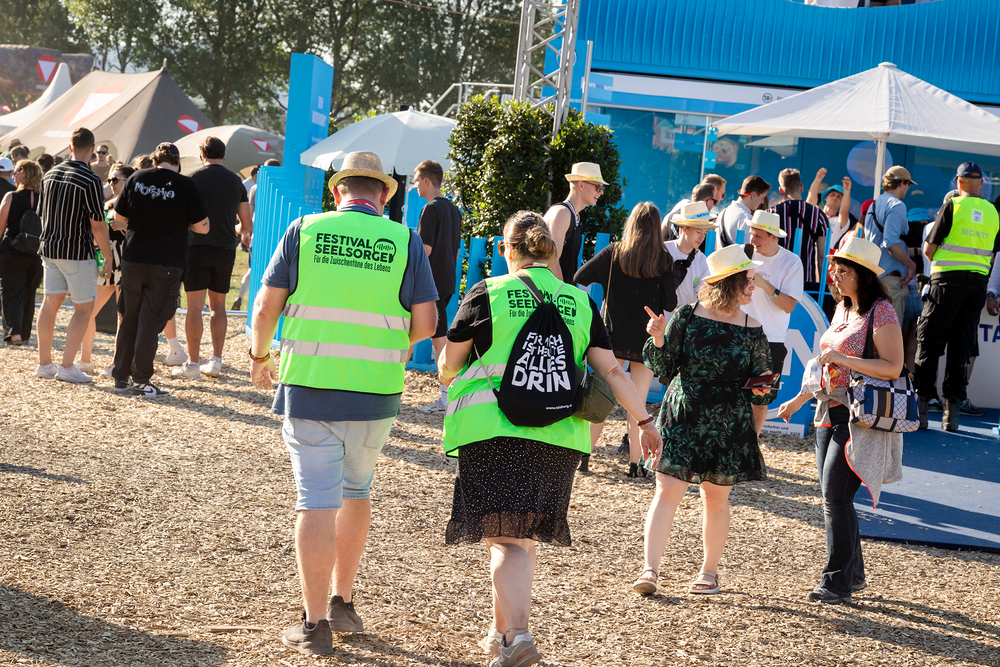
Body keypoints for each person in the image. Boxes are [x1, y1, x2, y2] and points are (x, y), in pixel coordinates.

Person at [439, 211, 662, 666]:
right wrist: (644, 423)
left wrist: (450, 365)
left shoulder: (488, 293)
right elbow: (612, 371)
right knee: (521, 538)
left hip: (494, 432)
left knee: (504, 540)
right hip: (559, 437)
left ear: (507, 249)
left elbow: (449, 366)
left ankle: (519, 638)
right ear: (553, 252)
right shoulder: (579, 302)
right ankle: (500, 636)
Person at [249, 151, 438, 656]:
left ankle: (314, 627)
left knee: (316, 499)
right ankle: (342, 602)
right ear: (383, 197)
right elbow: (426, 324)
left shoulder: (304, 230)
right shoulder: (405, 240)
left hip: (311, 384)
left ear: (337, 192)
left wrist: (260, 357)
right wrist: (390, 345)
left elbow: (266, 306)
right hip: (376, 391)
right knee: (356, 490)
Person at [632, 243, 773, 598]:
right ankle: (649, 569)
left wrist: (755, 422)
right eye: (748, 280)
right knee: (667, 490)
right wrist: (659, 338)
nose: (753, 286)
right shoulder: (687, 315)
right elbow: (664, 367)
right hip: (683, 414)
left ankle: (709, 573)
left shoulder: (753, 327)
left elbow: (762, 388)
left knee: (715, 498)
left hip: (727, 423)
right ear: (729, 282)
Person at [777, 235, 904, 605]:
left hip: (858, 418)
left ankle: (836, 583)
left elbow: (893, 366)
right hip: (828, 412)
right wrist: (799, 399)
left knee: (835, 497)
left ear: (862, 275)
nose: (833, 275)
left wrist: (844, 359)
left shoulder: (881, 311)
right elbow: (825, 365)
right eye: (834, 268)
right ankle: (854, 573)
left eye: (842, 270)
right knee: (834, 498)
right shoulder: (843, 308)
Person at [575, 201, 676, 476]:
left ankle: (584, 457)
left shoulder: (614, 252)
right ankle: (635, 465)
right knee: (638, 404)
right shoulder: (664, 260)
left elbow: (580, 276)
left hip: (612, 335)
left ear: (631, 224)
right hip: (645, 337)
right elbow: (670, 301)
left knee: (601, 396)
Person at [112, 143, 210, 397]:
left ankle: (121, 376)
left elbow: (118, 217)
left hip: (134, 258)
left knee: (129, 317)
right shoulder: (186, 185)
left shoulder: (136, 178)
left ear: (154, 161)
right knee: (150, 321)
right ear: (178, 163)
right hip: (167, 262)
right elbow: (203, 227)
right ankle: (142, 381)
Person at [915, 162, 1000, 431]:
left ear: (958, 182)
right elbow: (993, 252)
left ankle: (921, 409)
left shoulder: (952, 205)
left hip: (945, 282)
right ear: (981, 184)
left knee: (929, 343)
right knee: (961, 348)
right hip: (976, 285)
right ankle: (951, 414)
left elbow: (929, 249)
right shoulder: (993, 212)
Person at [35, 127, 111, 383]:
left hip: (50, 248)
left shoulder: (49, 174)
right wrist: (108, 257)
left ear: (70, 147)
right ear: (92, 149)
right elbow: (98, 225)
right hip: (76, 251)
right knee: (83, 308)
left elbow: (42, 215)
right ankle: (67, 366)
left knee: (49, 303)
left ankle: (45, 363)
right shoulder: (90, 180)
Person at [172, 136, 251, 379]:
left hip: (195, 246)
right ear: (224, 155)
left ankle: (193, 364)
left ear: (202, 154)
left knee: (195, 308)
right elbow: (246, 225)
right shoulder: (235, 181)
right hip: (225, 249)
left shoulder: (191, 179)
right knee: (218, 307)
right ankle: (216, 361)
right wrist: (232, 229)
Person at [741, 210, 804, 434]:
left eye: (758, 236)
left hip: (771, 339)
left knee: (761, 400)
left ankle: (752, 445)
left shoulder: (791, 261)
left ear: (773, 237)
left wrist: (765, 285)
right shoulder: (742, 253)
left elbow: (789, 306)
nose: (753, 240)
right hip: (737, 334)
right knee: (730, 395)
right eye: (751, 234)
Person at [413, 159, 463, 415]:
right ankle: (446, 396)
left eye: (416, 180)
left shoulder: (430, 209)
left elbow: (425, 250)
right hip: (446, 281)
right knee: (432, 335)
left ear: (426, 180)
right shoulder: (454, 211)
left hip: (429, 282)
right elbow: (455, 253)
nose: (414, 186)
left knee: (437, 339)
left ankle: (446, 397)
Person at [78, 163, 135, 376]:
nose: (110, 183)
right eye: (109, 179)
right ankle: (85, 360)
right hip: (105, 260)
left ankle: (117, 364)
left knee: (123, 316)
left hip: (126, 260)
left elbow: (145, 233)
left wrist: (125, 227)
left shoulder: (135, 204)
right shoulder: (108, 203)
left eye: (115, 179)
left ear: (128, 181)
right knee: (87, 311)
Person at [863, 165, 916, 321]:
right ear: (902, 183)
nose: (907, 189)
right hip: (890, 280)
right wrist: (911, 265)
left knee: (872, 329)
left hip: (873, 277)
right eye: (908, 184)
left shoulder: (873, 205)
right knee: (890, 331)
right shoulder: (897, 205)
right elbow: (891, 243)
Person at [0, 159, 44, 345]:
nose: (14, 174)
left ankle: (14, 333)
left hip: (12, 250)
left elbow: (1, 226)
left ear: (24, 174)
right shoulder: (45, 199)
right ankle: (25, 334)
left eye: (17, 170)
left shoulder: (11, 197)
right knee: (29, 294)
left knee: (10, 293)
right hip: (36, 252)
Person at [543, 162, 606, 282]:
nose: (601, 192)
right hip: (552, 290)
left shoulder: (574, 215)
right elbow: (551, 261)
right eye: (598, 187)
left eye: (602, 188)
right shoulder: (562, 213)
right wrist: (563, 291)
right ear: (581, 184)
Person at [771, 168, 829, 284]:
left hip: (775, 281)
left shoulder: (771, 214)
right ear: (801, 187)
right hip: (805, 281)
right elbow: (822, 256)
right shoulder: (818, 215)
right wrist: (822, 287)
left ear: (781, 190)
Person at [663, 201, 714, 321]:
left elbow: (704, 298)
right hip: (659, 322)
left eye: (705, 233)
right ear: (684, 229)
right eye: (698, 232)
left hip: (684, 324)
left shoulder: (703, 262)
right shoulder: (663, 251)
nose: (702, 237)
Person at [716, 175, 770, 250]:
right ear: (753, 195)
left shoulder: (723, 212)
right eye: (762, 198)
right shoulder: (747, 219)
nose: (762, 202)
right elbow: (751, 250)